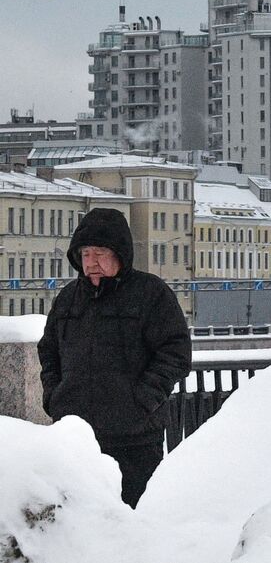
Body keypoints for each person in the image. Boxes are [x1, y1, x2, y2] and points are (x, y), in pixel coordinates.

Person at [37, 208, 192, 508]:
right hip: (75, 441)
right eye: (85, 254)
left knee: (131, 530)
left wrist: (143, 400)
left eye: (100, 253)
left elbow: (176, 352)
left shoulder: (151, 294)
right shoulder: (68, 298)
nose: (91, 262)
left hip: (134, 442)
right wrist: (54, 397)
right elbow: (49, 351)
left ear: (120, 254)